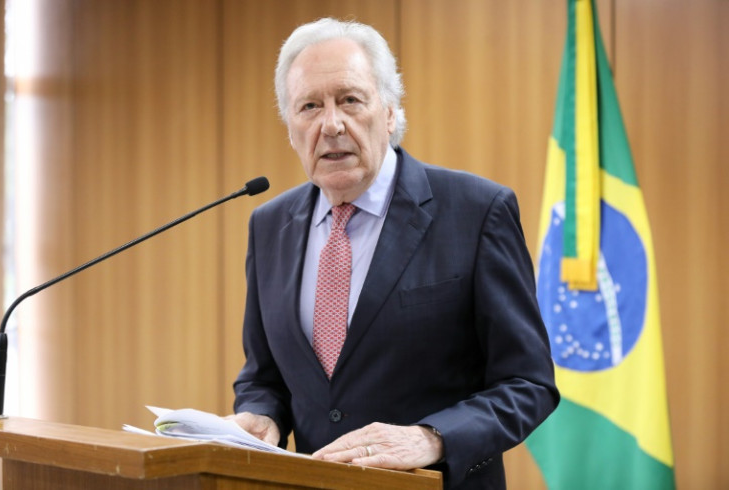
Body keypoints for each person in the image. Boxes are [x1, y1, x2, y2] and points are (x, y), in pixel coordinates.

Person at [227, 17, 559, 489]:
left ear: (389, 111)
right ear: (290, 126)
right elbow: (264, 376)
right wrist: (262, 415)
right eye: (309, 107)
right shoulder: (268, 226)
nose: (332, 124)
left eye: (349, 100)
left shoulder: (477, 211)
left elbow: (528, 385)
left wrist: (432, 437)